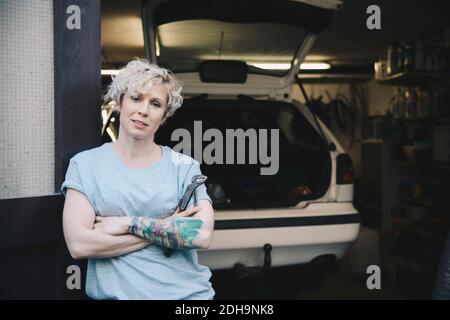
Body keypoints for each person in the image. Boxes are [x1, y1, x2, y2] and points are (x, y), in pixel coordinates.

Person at [61, 58, 215, 300]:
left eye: (155, 103)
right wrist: (166, 228)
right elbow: (79, 245)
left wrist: (127, 223)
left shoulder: (184, 168)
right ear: (120, 100)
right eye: (136, 98)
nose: (143, 110)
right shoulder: (85, 165)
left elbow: (201, 235)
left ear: (164, 114)